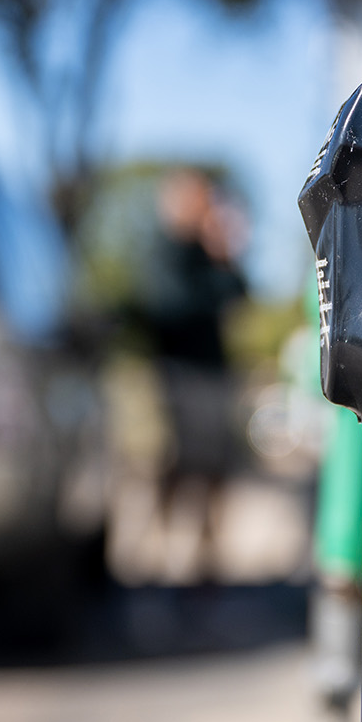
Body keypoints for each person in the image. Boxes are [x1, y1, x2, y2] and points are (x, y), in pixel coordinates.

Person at [139, 167, 246, 580]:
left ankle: (205, 566)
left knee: (214, 472)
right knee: (178, 471)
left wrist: (223, 251)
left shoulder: (204, 251)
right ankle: (163, 564)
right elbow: (173, 306)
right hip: (178, 378)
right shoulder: (165, 251)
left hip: (211, 376)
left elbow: (238, 292)